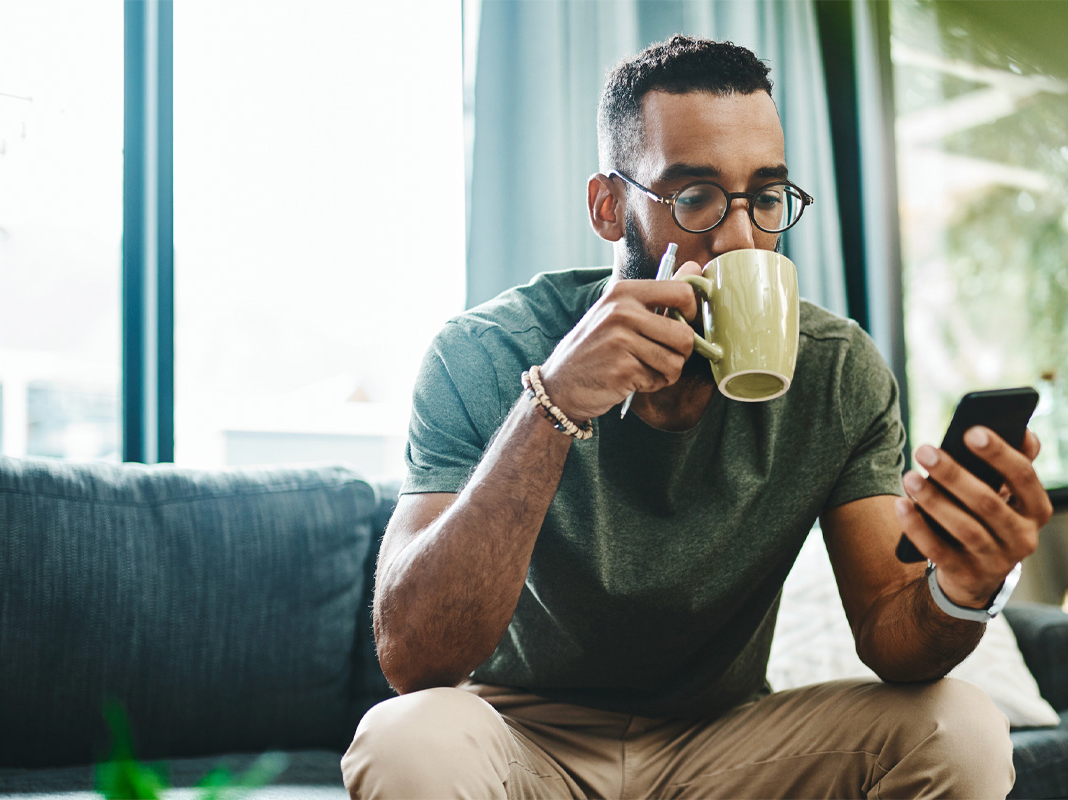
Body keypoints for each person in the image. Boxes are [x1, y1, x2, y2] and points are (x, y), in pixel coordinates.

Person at [341, 34, 1053, 799]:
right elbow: (414, 659)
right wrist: (552, 403)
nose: (739, 239)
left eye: (767, 197)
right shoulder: (483, 353)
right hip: (524, 736)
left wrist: (963, 587)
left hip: (727, 743)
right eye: (695, 197)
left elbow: (891, 632)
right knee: (404, 740)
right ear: (610, 208)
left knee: (962, 728)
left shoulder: (835, 370)